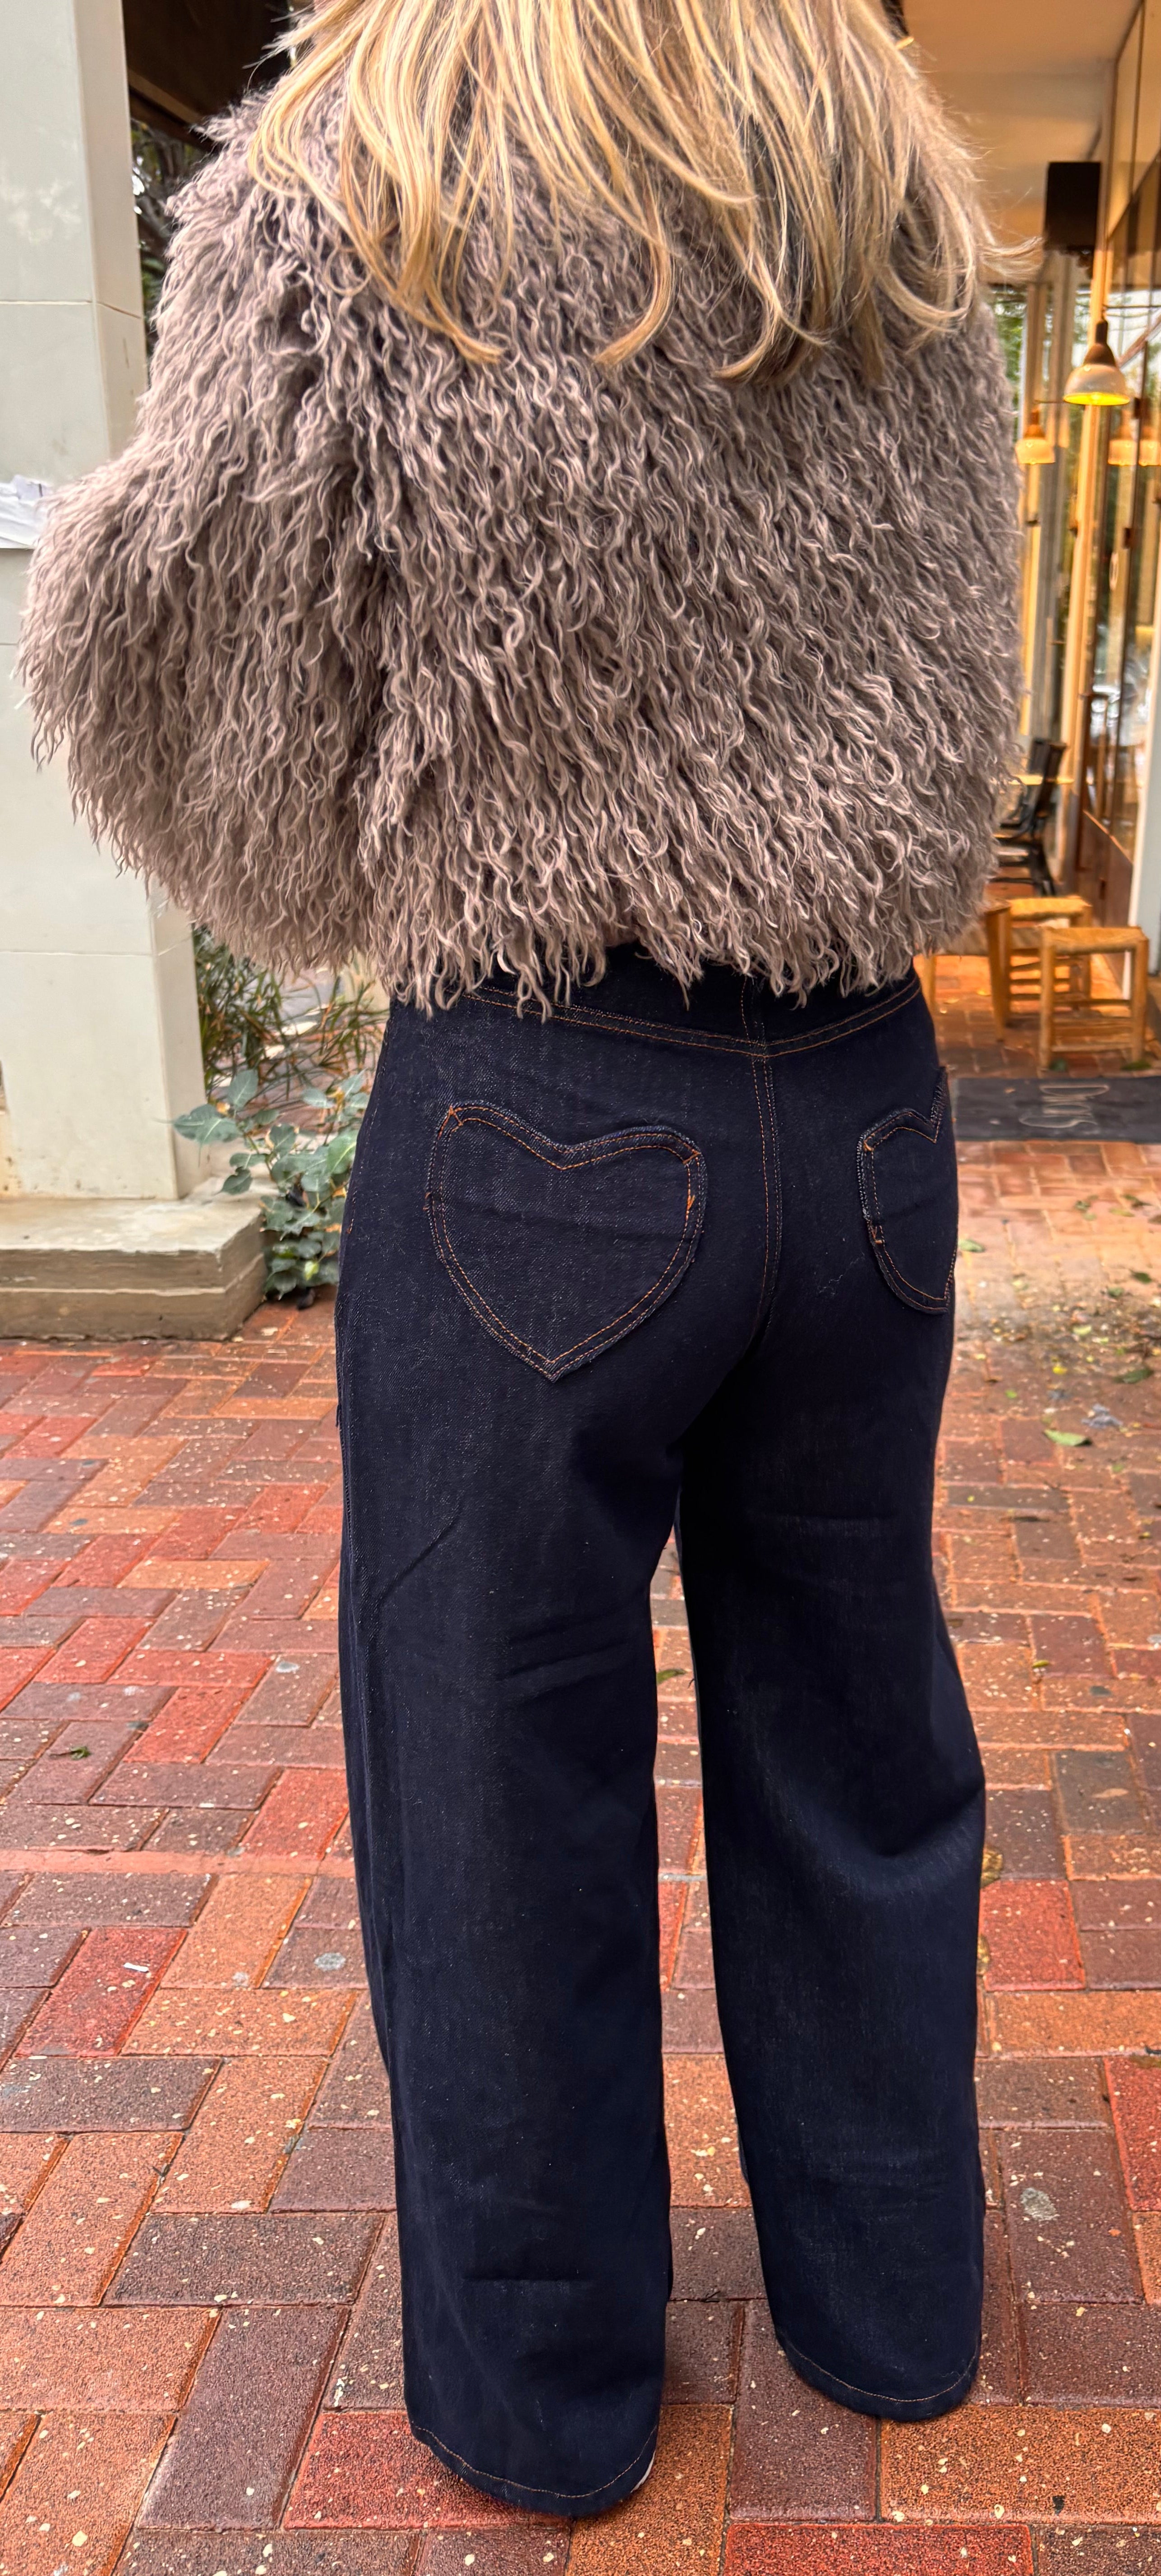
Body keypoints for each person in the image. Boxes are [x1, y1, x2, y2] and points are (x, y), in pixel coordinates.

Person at [21, 0, 1018, 2521]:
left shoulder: (369, 163)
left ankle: (551, 2405)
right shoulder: (881, 174)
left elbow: (192, 650)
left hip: (540, 1098)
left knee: (493, 1777)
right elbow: (964, 642)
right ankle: (891, 2308)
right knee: (857, 1731)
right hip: (869, 1107)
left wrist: (347, 854)